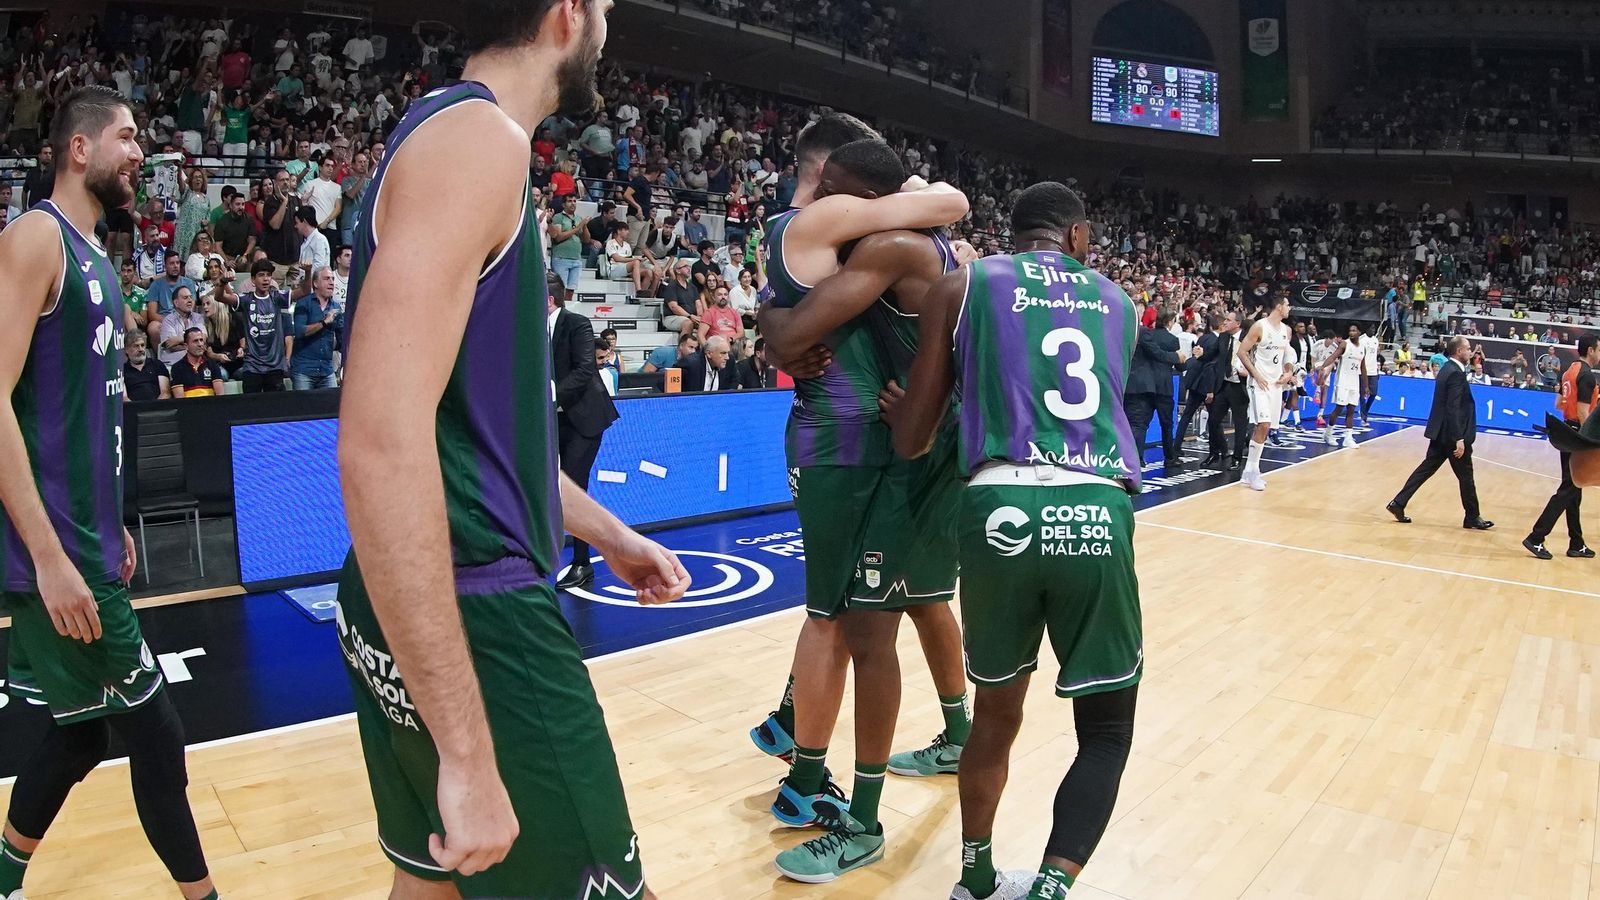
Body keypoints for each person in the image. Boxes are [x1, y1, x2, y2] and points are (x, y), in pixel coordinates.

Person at [333, 3, 691, 897]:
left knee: (429, 884)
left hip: (405, 597)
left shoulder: (450, 135)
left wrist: (607, 531)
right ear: (567, 12)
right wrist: (466, 750)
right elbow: (380, 440)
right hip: (475, 614)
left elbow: (478, 429)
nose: (608, 27)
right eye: (604, 8)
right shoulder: (478, 141)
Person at [880, 182, 1142, 900]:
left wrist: (913, 411)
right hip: (1094, 502)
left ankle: (975, 877)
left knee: (994, 713)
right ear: (1079, 238)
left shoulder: (963, 284)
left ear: (1013, 233)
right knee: (1107, 731)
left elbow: (912, 441)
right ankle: (1053, 887)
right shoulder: (1119, 304)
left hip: (996, 504)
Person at [0, 85, 220, 900]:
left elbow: (88, 417)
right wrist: (51, 557)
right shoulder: (35, 238)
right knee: (157, 735)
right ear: (79, 148)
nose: (142, 151)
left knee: (82, 737)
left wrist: (117, 518)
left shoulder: (98, 260)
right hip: (58, 554)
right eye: (129, 135)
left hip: (91, 539)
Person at [751, 126, 971, 882]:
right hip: (919, 447)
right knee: (904, 609)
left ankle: (817, 784)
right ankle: (941, 739)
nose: (826, 201)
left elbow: (792, 334)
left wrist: (769, 327)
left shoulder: (888, 248)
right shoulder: (956, 252)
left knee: (848, 622)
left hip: (873, 444)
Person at [548, 286, 619, 590]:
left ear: (549, 299)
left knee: (575, 484)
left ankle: (582, 563)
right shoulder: (531, 327)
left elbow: (584, 369)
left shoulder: (576, 323)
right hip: (556, 418)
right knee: (554, 485)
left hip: (585, 417)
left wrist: (549, 395)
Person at [1386, 336, 1491, 530]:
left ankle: (1398, 503)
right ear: (1459, 351)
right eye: (1468, 349)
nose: (1471, 352)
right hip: (1451, 435)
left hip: (1440, 433)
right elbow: (1453, 408)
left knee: (1425, 470)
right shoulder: (1455, 374)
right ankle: (1472, 517)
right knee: (1466, 475)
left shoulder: (1446, 369)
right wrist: (1459, 438)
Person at [1524, 334, 1600, 560]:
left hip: (1566, 433)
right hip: (1578, 436)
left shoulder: (1569, 371)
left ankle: (1576, 542)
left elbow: (1559, 403)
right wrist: (1590, 443)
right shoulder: (1586, 375)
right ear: (1590, 351)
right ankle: (1536, 537)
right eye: (1599, 349)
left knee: (1573, 490)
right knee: (1568, 489)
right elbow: (1583, 413)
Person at [1234, 295, 1294, 491]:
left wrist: (1288, 371)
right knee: (1264, 424)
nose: (1289, 308)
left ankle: (1248, 471)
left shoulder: (1287, 331)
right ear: (1279, 306)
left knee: (1266, 428)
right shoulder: (1260, 326)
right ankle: (1253, 472)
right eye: (1287, 305)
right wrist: (1256, 374)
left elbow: (1287, 355)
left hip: (1276, 385)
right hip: (1259, 383)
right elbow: (1242, 352)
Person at [1124, 308, 1188, 472]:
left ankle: (1137, 458)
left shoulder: (1145, 334)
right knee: (1166, 425)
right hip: (1163, 386)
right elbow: (1179, 365)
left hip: (1145, 386)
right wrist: (1181, 358)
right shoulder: (1170, 339)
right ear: (1170, 322)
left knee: (1140, 424)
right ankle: (1169, 458)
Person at [237, 259, 295, 393]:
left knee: (276, 410)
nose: (265, 279)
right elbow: (221, 297)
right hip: (252, 367)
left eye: (268, 275)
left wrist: (308, 272)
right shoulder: (246, 300)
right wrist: (223, 282)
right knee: (251, 410)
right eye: (261, 275)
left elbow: (304, 291)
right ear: (253, 279)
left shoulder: (277, 298)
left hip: (275, 367)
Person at [1203, 311, 1248, 469]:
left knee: (1240, 424)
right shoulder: (1222, 337)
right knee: (1213, 420)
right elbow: (1211, 354)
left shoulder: (1248, 338)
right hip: (1223, 384)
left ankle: (1237, 458)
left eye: (1228, 320)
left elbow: (1256, 359)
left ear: (1238, 323)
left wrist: (1250, 373)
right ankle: (1214, 453)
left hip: (1239, 386)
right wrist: (1201, 354)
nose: (1225, 323)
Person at [290, 266, 342, 390]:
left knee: (331, 407)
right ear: (315, 283)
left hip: (327, 371)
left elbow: (341, 339)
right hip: (304, 371)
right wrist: (324, 323)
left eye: (333, 279)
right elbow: (299, 332)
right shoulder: (303, 303)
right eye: (326, 279)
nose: (331, 282)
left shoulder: (336, 307)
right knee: (303, 408)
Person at [1319, 324, 1367, 450]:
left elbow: (1363, 367)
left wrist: (1366, 385)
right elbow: (1333, 357)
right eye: (1350, 330)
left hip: (1354, 382)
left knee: (1351, 410)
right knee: (1339, 409)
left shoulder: (1362, 347)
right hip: (1342, 382)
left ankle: (1348, 438)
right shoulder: (1344, 344)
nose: (1351, 333)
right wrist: (1322, 367)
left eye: (1354, 330)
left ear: (1359, 332)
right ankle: (1328, 433)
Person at [169, 327, 226, 397]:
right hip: (189, 407)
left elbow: (220, 395)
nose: (200, 344)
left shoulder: (212, 365)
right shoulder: (177, 368)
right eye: (195, 341)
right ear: (186, 346)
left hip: (210, 406)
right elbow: (180, 399)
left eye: (201, 340)